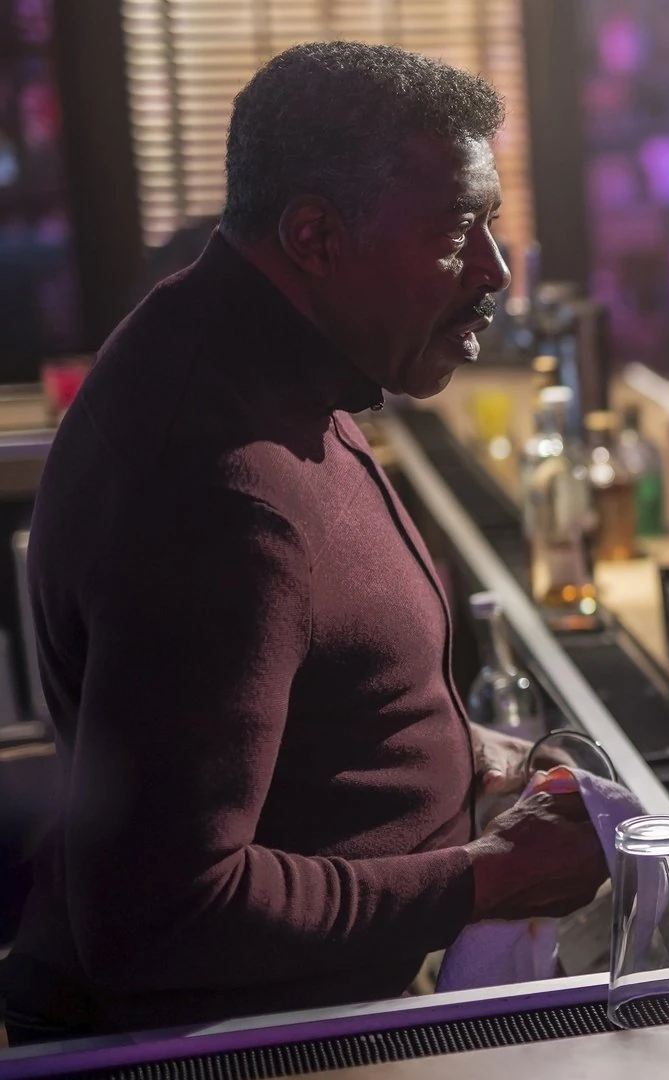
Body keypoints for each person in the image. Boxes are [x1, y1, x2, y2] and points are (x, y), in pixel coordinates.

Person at [0, 43, 607, 1042]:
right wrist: (488, 878)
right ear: (317, 236)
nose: (495, 269)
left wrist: (464, 755)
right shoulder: (214, 487)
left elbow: (300, 681)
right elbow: (160, 917)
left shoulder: (272, 356)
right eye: (459, 231)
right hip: (251, 1043)